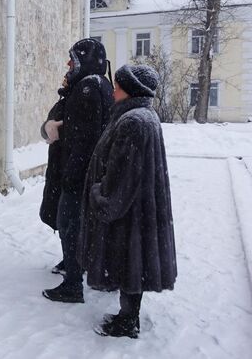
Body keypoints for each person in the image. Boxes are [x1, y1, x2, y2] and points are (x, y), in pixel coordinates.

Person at [77, 64, 177, 338]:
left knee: (130, 263)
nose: (114, 90)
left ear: (132, 90)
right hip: (138, 209)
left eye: (119, 86)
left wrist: (102, 196)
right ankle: (127, 317)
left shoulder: (134, 122)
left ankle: (127, 322)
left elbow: (123, 175)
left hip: (129, 213)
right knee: (133, 265)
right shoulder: (139, 117)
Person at [40, 38, 114, 303]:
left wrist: (73, 177)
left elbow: (86, 139)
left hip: (79, 174)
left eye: (73, 59)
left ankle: (73, 284)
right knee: (77, 225)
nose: (69, 64)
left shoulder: (88, 89)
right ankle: (83, 269)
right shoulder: (93, 85)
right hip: (85, 173)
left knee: (69, 224)